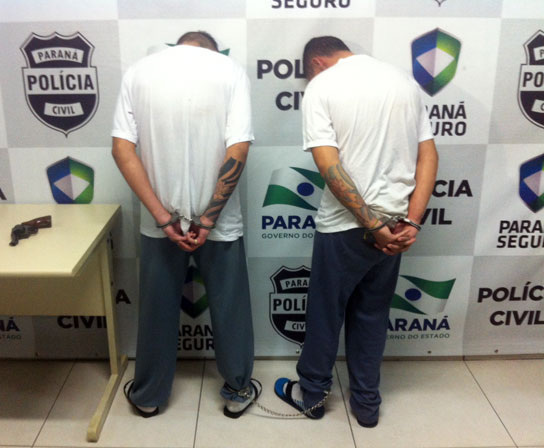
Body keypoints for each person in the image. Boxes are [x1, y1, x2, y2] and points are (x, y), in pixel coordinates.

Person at [274, 36, 438, 427]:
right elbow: (428, 155)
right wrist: (411, 221)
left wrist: (371, 224)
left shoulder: (322, 87)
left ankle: (313, 397)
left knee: (325, 313)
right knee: (372, 314)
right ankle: (366, 405)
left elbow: (328, 165)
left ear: (316, 63)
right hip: (396, 225)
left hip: (345, 226)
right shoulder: (403, 81)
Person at [111, 31, 259, 419]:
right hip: (218, 219)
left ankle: (148, 395)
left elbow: (121, 149)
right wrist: (208, 218)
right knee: (230, 307)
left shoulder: (139, 72)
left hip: (161, 219)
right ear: (211, 49)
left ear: (179, 44)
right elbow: (239, 147)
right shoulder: (229, 70)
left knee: (157, 308)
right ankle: (237, 390)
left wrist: (162, 217)